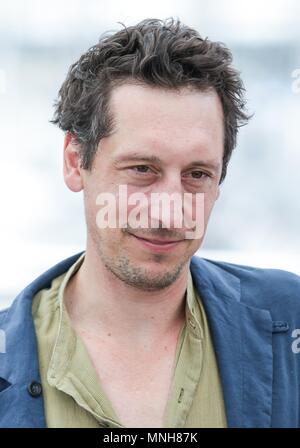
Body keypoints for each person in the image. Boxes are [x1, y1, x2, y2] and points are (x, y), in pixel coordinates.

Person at [0, 17, 299, 429]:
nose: (169, 210)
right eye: (142, 169)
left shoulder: (291, 326)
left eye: (197, 174)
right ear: (74, 161)